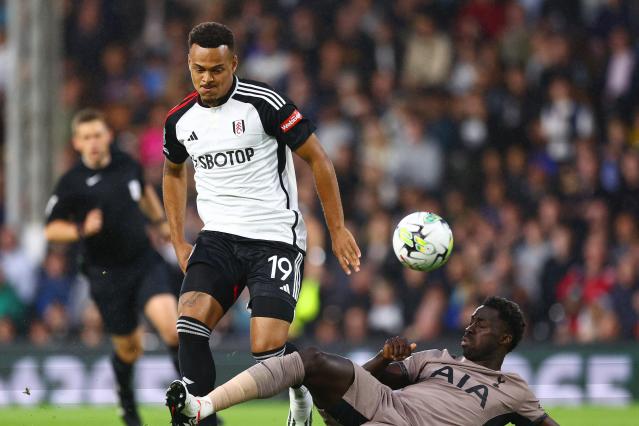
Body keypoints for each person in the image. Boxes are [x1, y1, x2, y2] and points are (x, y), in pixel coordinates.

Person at [162, 22, 360, 426]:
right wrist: (179, 240)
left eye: (217, 69)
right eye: (199, 69)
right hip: (217, 236)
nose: (207, 78)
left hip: (274, 237)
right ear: (189, 64)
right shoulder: (179, 120)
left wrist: (337, 228)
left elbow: (318, 159)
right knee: (190, 320)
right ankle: (198, 417)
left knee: (267, 349)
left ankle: (301, 390)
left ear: (233, 63)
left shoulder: (265, 103)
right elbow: (172, 172)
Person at [167, 296, 560, 426]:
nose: (470, 328)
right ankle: (202, 406)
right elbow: (379, 379)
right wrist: (382, 357)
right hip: (385, 403)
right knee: (311, 360)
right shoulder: (437, 358)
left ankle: (299, 411)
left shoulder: (514, 392)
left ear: (505, 338)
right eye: (471, 320)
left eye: (482, 325)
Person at [44, 109, 180, 426]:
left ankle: (197, 408)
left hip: (143, 261)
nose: (93, 142)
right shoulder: (71, 184)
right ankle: (127, 404)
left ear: (108, 136)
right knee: (130, 349)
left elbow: (143, 192)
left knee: (173, 330)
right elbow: (51, 229)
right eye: (86, 137)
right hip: (106, 276)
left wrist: (159, 222)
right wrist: (80, 229)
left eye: (98, 134)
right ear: (77, 143)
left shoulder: (126, 164)